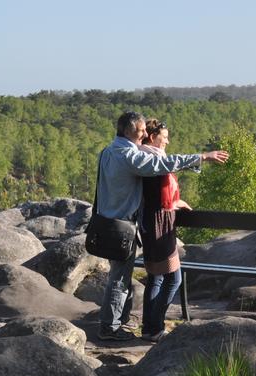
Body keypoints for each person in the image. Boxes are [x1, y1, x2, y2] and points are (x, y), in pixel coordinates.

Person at [95, 111, 228, 341]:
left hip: (106, 222)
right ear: (128, 131)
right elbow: (163, 163)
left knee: (123, 277)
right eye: (141, 131)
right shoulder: (129, 155)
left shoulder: (108, 151)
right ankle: (110, 328)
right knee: (119, 279)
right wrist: (202, 157)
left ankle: (120, 324)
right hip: (121, 226)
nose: (145, 133)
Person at [138, 119, 189, 342]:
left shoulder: (140, 157)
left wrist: (174, 203)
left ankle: (149, 329)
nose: (167, 140)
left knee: (156, 277)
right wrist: (174, 204)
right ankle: (155, 327)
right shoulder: (153, 160)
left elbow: (155, 195)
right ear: (152, 137)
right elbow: (158, 197)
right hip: (159, 224)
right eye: (164, 136)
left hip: (150, 222)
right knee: (173, 279)